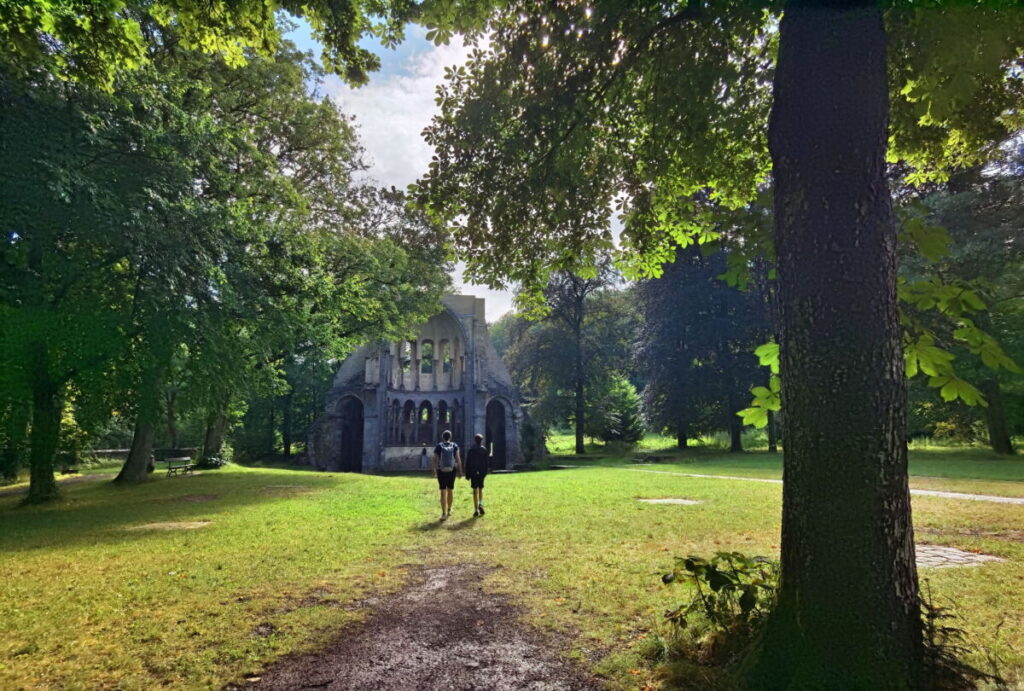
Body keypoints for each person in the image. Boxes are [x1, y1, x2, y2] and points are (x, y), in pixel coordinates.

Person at [432, 430, 462, 521]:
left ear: (442, 437)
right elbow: (458, 459)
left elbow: (434, 459)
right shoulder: (455, 445)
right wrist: (460, 471)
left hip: (441, 471)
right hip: (451, 471)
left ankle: (443, 513)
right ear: (450, 437)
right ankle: (449, 510)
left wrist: (434, 470)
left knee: (443, 491)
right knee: (450, 490)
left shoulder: (439, 446)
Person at [464, 434, 490, 516]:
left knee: (475, 491)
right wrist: (485, 472)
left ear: (475, 441)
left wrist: (467, 474)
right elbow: (486, 463)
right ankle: (481, 504)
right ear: (481, 441)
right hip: (481, 472)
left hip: (473, 472)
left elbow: (468, 463)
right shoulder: (484, 450)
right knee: (480, 490)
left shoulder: (471, 450)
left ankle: (476, 510)